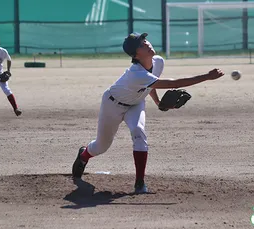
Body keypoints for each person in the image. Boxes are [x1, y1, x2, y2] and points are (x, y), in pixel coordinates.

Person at [72, 32, 224, 193]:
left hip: (136, 104)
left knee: (139, 132)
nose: (146, 43)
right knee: (101, 147)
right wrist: (207, 76)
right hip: (112, 104)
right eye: (141, 44)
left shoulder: (158, 62)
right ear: (135, 54)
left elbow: (151, 85)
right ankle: (84, 155)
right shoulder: (136, 73)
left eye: (145, 40)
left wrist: (158, 103)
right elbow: (175, 83)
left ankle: (139, 183)